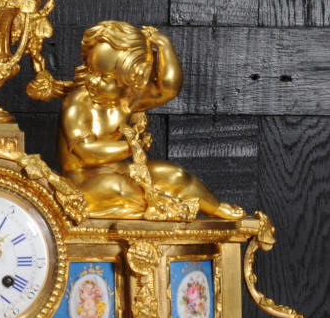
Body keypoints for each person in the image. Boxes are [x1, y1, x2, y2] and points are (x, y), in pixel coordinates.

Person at [58, 21, 243, 219]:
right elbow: (86, 152)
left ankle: (214, 207)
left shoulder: (126, 99)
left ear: (130, 81)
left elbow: (168, 89)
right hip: (81, 181)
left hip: (119, 170)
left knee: (174, 174)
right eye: (91, 71)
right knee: (120, 189)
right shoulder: (78, 102)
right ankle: (167, 206)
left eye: (105, 77)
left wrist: (164, 46)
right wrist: (131, 147)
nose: (93, 81)